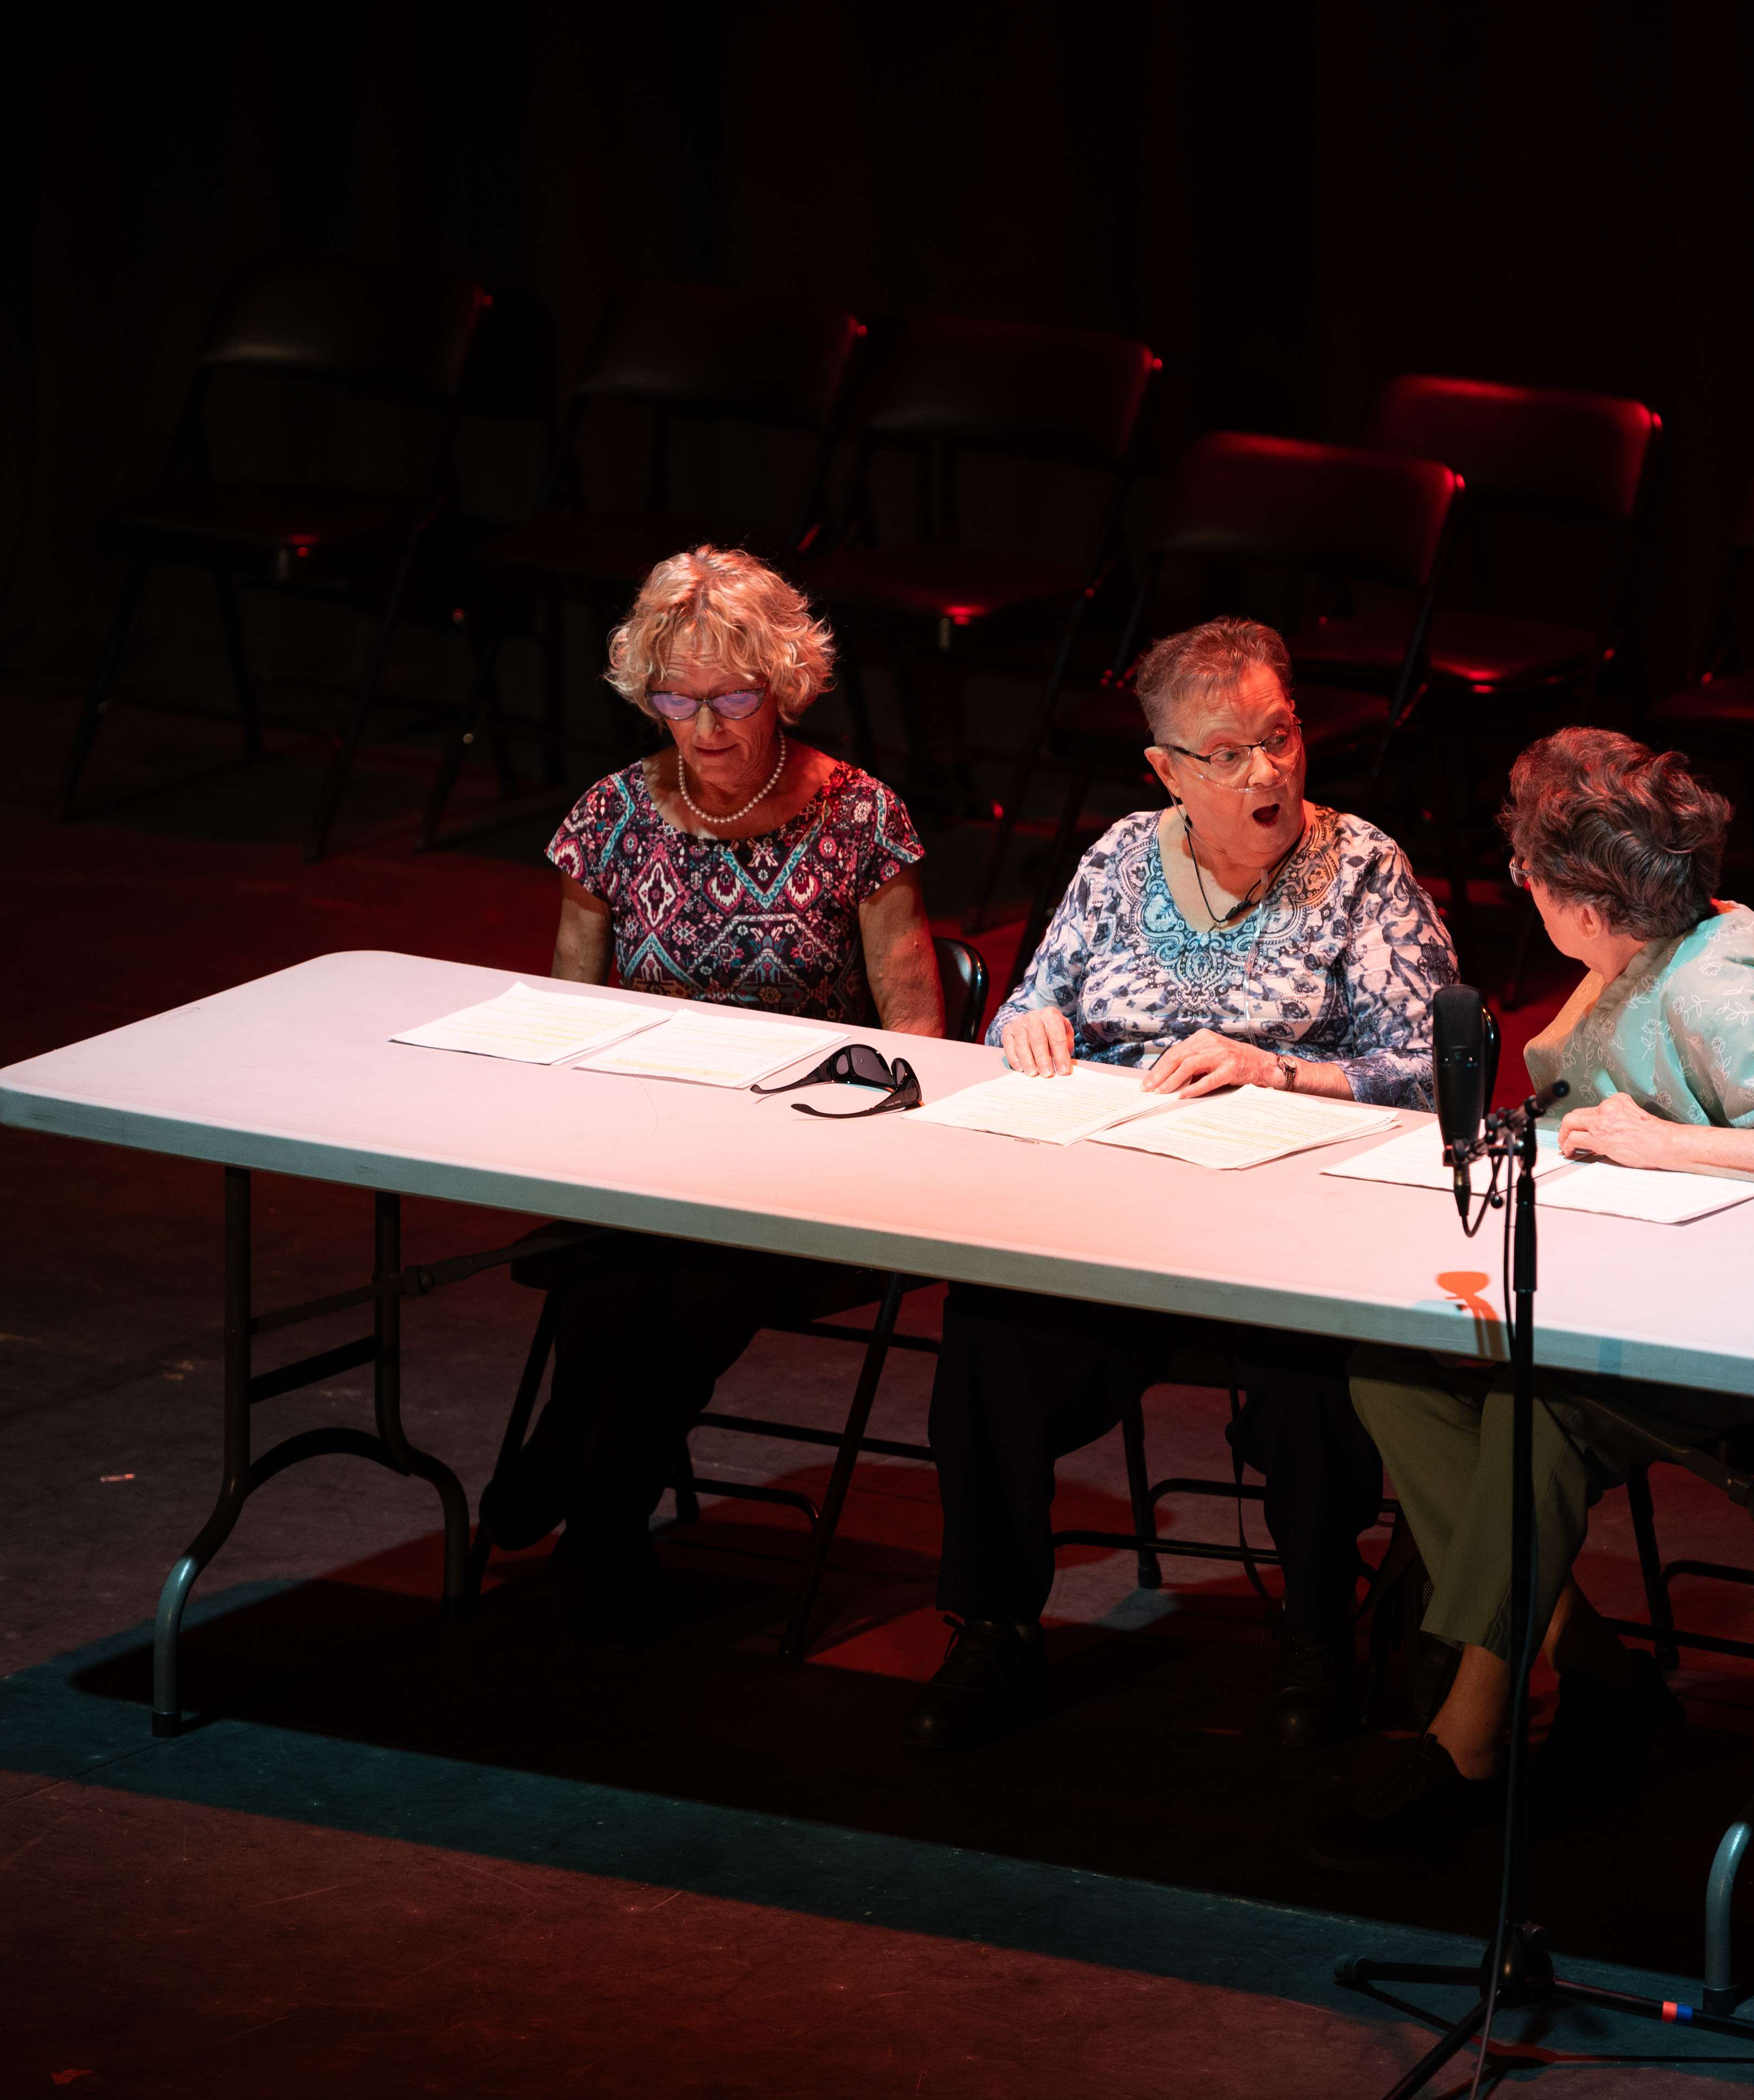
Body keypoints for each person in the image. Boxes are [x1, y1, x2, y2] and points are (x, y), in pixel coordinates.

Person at [1308, 726, 1754, 1872]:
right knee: (1390, 1371)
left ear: (1586, 902)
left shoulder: (1720, 985)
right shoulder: (1637, 957)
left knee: (1537, 1410)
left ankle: (1471, 1736)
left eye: (1529, 875)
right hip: (1652, 1298)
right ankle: (1597, 1673)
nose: (1520, 890)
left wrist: (1666, 1141)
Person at [907, 616, 1459, 1753]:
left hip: (1289, 1226)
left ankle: (1318, 1629)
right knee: (989, 1326)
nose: (1270, 770)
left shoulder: (1360, 869)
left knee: (1312, 1364)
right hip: (1119, 1210)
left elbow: (1440, 1070)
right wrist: (1032, 1023)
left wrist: (1284, 1067)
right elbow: (1023, 1002)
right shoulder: (1116, 858)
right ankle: (996, 1625)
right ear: (1166, 769)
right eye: (1230, 751)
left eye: (1282, 734)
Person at [479, 546, 942, 1633]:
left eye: (732, 696)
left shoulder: (861, 816)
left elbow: (917, 1020)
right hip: (646, 1144)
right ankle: (585, 1487)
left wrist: (869, 1127)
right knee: (608, 1277)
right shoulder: (612, 814)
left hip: (807, 1158)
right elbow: (570, 999)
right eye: (676, 699)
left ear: (782, 683)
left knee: (696, 1285)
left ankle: (590, 1497)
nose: (706, 724)